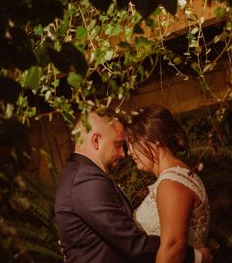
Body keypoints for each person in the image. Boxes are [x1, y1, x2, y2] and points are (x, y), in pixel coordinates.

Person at [54, 110, 212, 263]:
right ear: (96, 140)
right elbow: (132, 243)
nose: (124, 154)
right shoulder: (85, 179)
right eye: (118, 144)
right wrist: (195, 256)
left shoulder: (82, 176)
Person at [124, 105, 211, 263]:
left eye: (133, 141)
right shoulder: (180, 176)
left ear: (155, 140)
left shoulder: (171, 182)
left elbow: (173, 248)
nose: (129, 151)